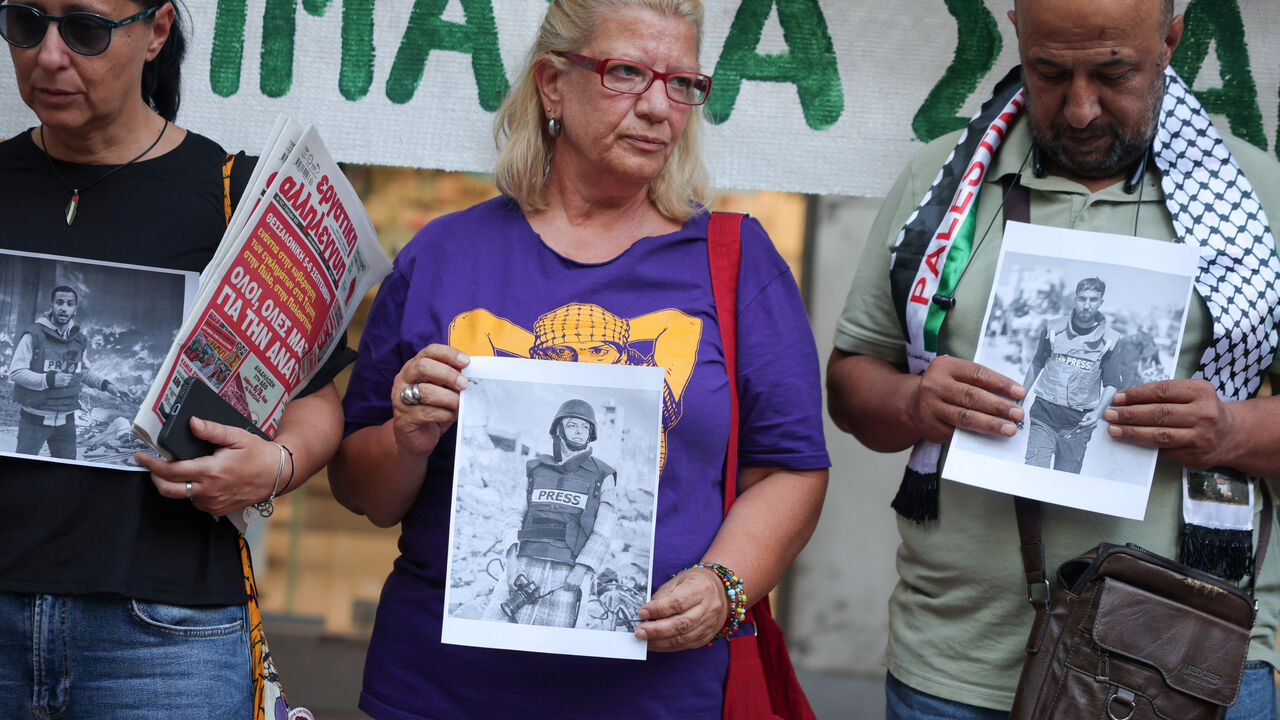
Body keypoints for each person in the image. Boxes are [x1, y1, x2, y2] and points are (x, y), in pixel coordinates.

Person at [330, 0, 830, 717]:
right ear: (553, 84)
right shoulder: (445, 255)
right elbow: (362, 491)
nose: (660, 107)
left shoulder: (736, 262)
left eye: (683, 83)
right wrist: (407, 435)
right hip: (443, 690)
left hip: (658, 694)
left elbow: (789, 468)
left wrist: (725, 583)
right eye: (628, 73)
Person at [826, 0, 1280, 717]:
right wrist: (915, 404)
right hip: (958, 663)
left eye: (1112, 73)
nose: (1078, 109)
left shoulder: (1258, 196)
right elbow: (851, 387)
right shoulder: (942, 186)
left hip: (1184, 663)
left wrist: (1230, 431)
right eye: (1049, 72)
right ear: (1016, 32)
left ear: (1170, 39)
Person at [0, 2, 349, 717]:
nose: (50, 54)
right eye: (25, 23)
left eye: (86, 29)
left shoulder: (232, 197)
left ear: (156, 31)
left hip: (162, 638)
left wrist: (272, 468)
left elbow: (314, 401)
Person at [482, 399, 617, 628]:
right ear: (559, 429)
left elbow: (604, 530)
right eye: (574, 425)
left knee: (555, 646)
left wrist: (581, 570)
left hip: (569, 574)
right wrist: (511, 559)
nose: (580, 432)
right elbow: (514, 514)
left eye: (585, 427)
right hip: (523, 565)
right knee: (495, 630)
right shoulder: (535, 468)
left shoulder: (603, 475)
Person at [7, 284, 138, 459]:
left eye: (69, 304)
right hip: (34, 421)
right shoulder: (33, 335)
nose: (64, 308)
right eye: (59, 302)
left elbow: (82, 371)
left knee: (66, 472)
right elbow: (15, 372)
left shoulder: (78, 339)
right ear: (51, 305)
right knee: (22, 473)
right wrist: (49, 380)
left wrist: (108, 386)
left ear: (75, 309)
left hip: (66, 422)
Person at [1019, 276, 1123, 473]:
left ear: (1101, 302)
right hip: (1044, 415)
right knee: (1032, 475)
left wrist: (1097, 412)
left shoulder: (1110, 340)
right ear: (1075, 299)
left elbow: (1111, 383)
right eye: (1082, 298)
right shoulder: (1052, 328)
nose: (1086, 305)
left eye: (1093, 300)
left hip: (1078, 425)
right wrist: (1020, 399)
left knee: (1063, 482)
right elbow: (1037, 363)